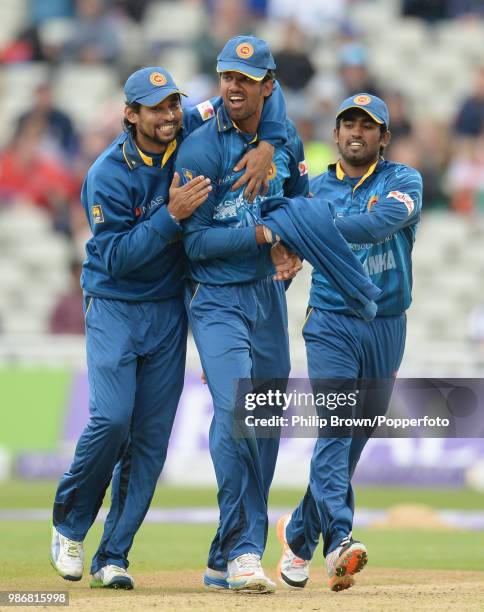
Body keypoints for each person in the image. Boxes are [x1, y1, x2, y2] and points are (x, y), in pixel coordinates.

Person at [49, 64, 289, 590]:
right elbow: (114, 259)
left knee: (151, 443)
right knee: (112, 421)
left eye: (173, 105)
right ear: (130, 114)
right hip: (114, 303)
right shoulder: (107, 174)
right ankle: (69, 525)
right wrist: (170, 217)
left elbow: (260, 98)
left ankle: (113, 555)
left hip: (169, 310)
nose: (169, 116)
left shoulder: (189, 125)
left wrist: (269, 144)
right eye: (156, 108)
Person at [176, 35, 309, 594]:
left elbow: (300, 200)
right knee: (237, 409)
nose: (233, 86)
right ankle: (245, 550)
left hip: (266, 300)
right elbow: (195, 244)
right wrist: (261, 235)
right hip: (216, 297)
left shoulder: (285, 138)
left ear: (268, 87)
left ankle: (222, 553)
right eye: (227, 76)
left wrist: (294, 244)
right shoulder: (201, 150)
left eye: (246, 79)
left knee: (265, 424)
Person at [276, 94, 423, 592]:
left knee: (353, 441)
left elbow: (382, 222)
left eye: (368, 125)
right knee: (337, 428)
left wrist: (316, 228)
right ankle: (340, 541)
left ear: (384, 137)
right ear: (335, 135)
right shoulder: (315, 189)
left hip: (387, 324)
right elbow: (284, 252)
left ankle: (297, 537)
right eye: (348, 124)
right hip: (332, 322)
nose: (357, 132)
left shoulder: (403, 181)